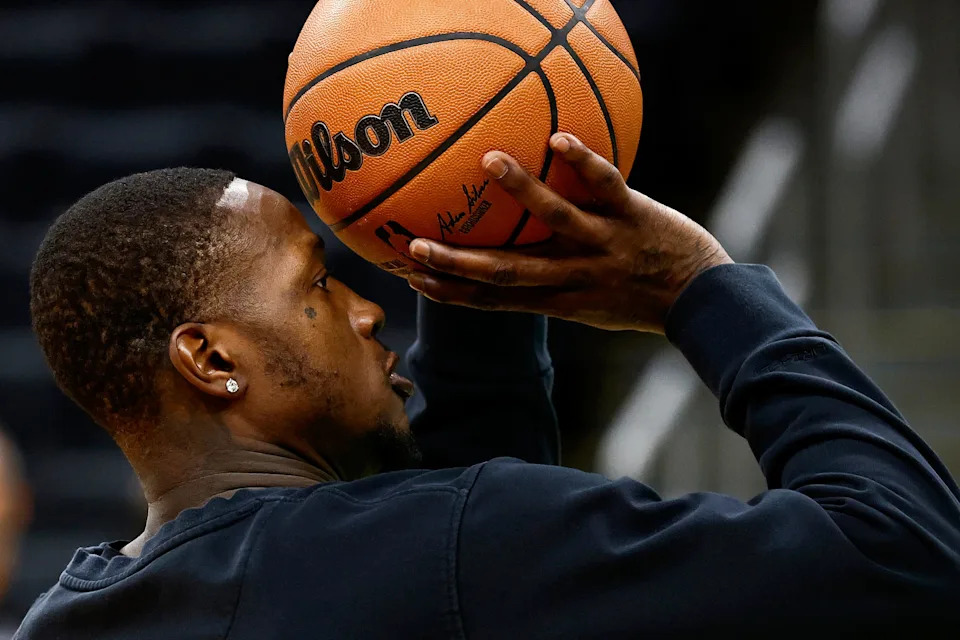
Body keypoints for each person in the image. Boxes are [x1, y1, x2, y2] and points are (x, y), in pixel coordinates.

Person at [18, 133, 960, 638]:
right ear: (213, 360)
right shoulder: (452, 551)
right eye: (317, 284)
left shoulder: (61, 619)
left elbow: (441, 550)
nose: (366, 310)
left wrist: (474, 272)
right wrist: (700, 289)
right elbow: (905, 551)